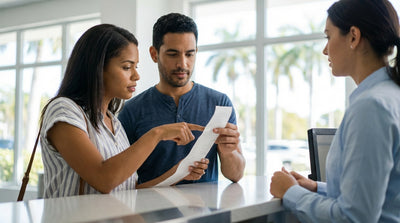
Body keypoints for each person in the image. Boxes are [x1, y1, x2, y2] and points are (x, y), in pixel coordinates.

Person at [39, 24, 209, 198]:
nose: (136, 76)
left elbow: (128, 192)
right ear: (97, 67)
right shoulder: (64, 111)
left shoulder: (115, 123)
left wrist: (177, 173)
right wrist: (157, 134)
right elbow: (104, 179)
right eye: (127, 67)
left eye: (136, 67)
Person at [270, 0, 400, 222]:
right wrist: (316, 187)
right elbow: (379, 192)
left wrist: (290, 192)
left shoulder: (371, 107)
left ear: (353, 37)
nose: (325, 49)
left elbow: (352, 217)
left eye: (328, 37)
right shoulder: (390, 94)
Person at [118, 13, 245, 185]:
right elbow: (122, 182)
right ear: (154, 54)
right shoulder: (132, 111)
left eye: (190, 54)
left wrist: (228, 152)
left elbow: (236, 175)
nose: (183, 64)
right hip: (149, 210)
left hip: (205, 211)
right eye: (173, 54)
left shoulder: (219, 103)